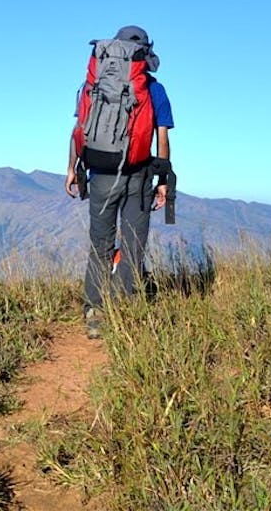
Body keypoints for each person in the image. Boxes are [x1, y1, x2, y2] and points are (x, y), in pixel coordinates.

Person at [64, 25, 174, 339]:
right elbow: (161, 140)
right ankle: (126, 309)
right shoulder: (154, 90)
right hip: (138, 176)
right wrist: (163, 178)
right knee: (133, 245)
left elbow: (79, 130)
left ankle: (95, 313)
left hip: (100, 176)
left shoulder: (92, 86)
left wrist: (72, 169)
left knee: (100, 246)